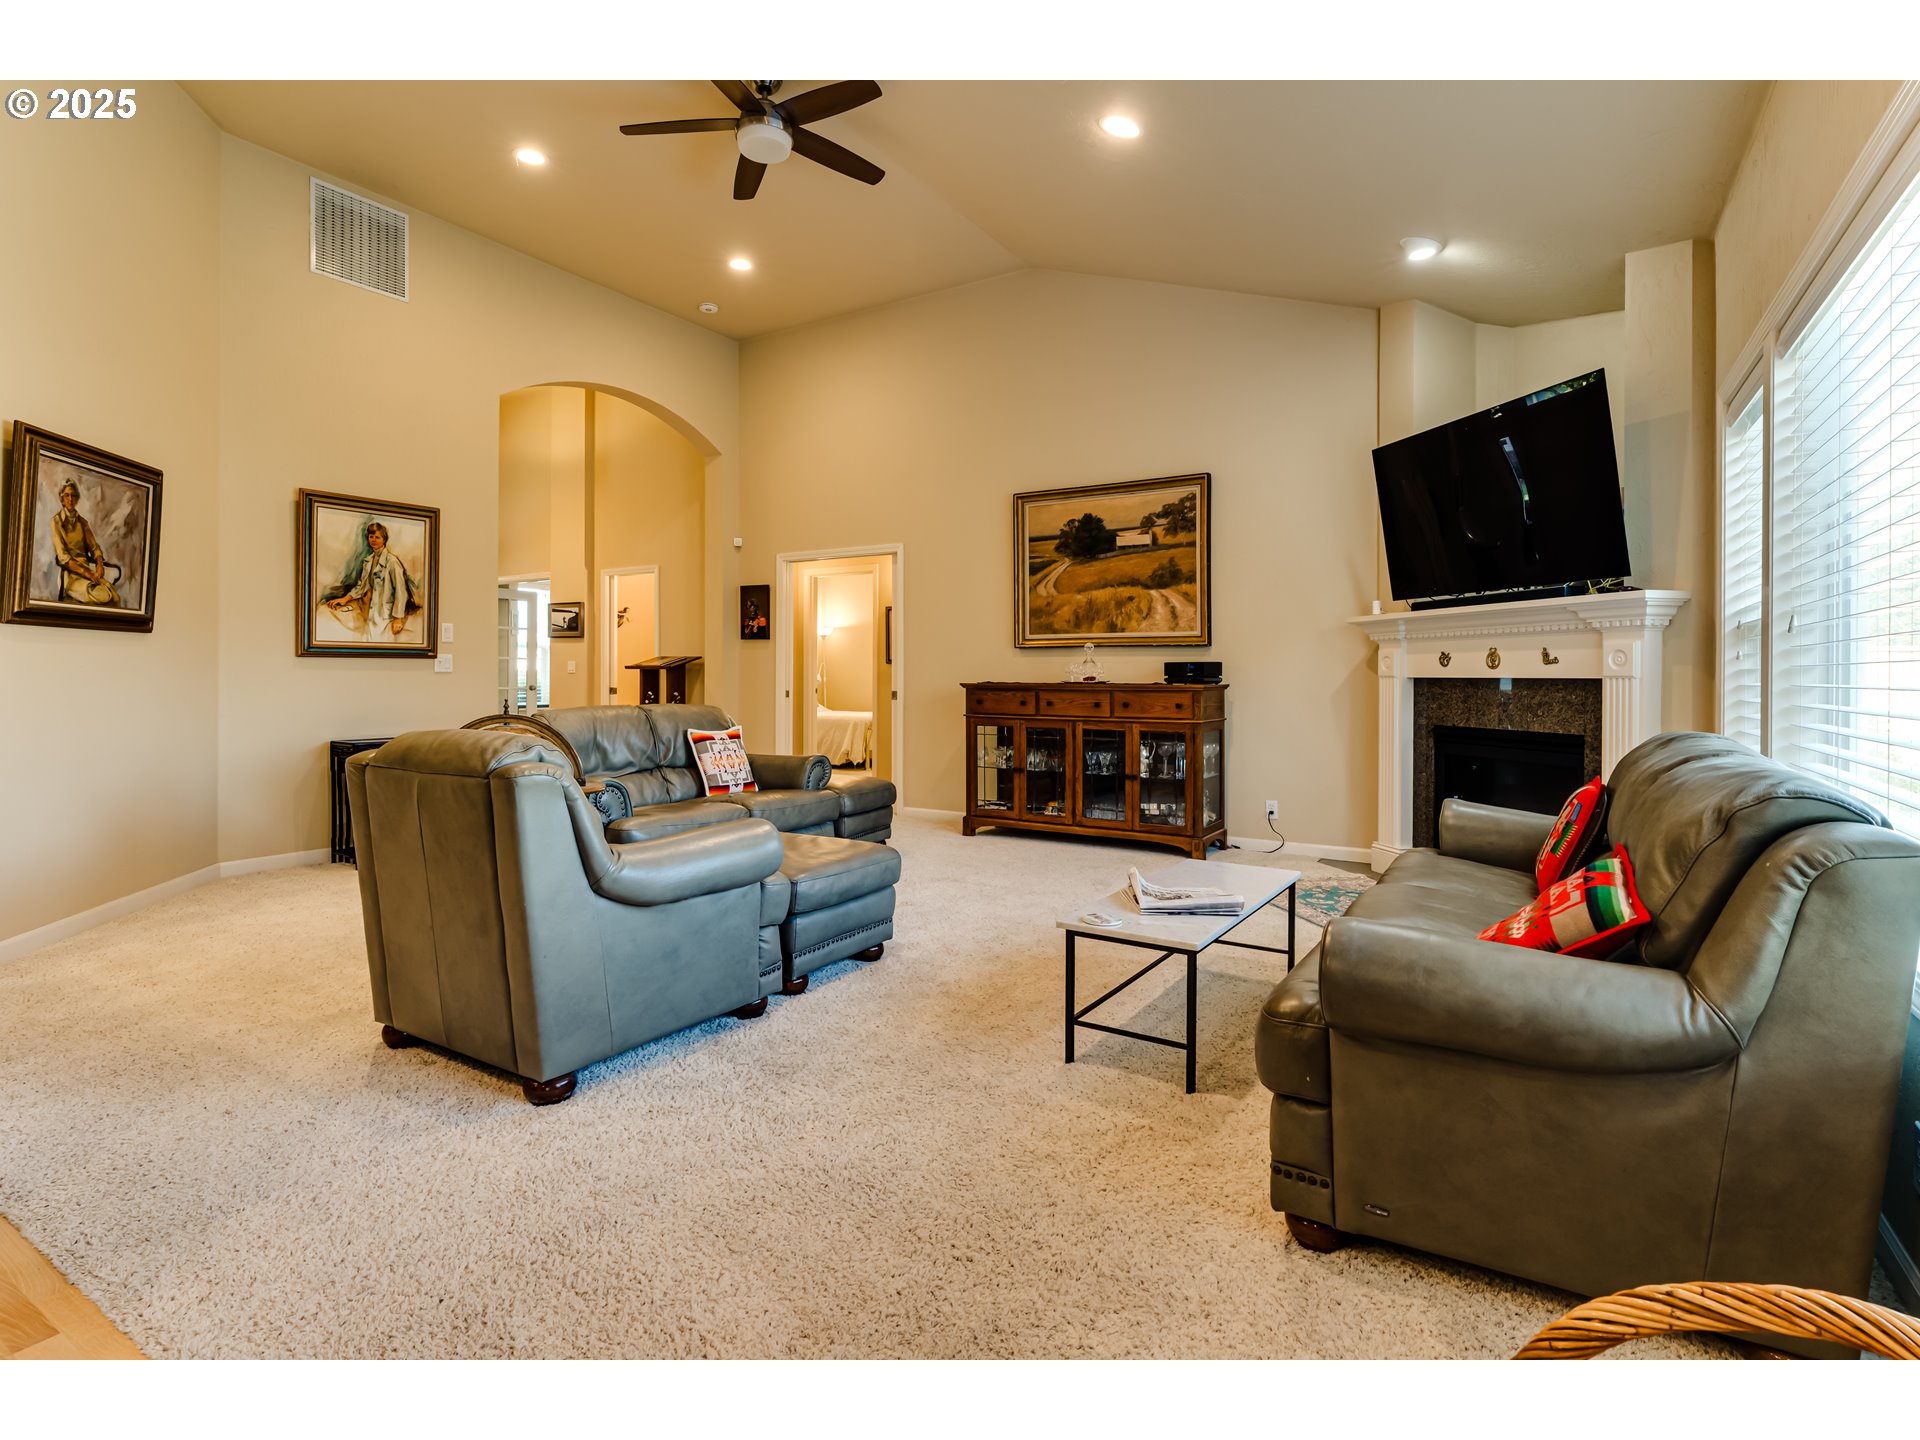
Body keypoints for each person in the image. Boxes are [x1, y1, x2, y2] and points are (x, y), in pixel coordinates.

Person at [325, 521, 418, 637]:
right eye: (371, 537)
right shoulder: (368, 561)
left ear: (384, 539)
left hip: (386, 613)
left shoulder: (392, 562)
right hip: (370, 610)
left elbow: (401, 591)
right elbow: (361, 586)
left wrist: (398, 618)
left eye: (377, 537)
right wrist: (345, 598)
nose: (373, 540)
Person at [49, 478, 119, 605]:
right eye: (67, 495)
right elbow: (63, 557)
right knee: (102, 597)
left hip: (89, 573)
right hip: (70, 576)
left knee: (114, 596)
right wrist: (89, 573)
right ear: (62, 499)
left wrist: (99, 564)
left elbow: (94, 547)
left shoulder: (83, 523)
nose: (70, 499)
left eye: (73, 495)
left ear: (77, 499)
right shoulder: (56, 522)